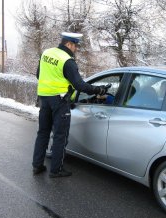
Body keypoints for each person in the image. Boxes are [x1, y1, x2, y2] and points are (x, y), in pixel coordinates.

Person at [32, 32, 109, 178]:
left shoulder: (46, 53)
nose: (76, 49)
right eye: (75, 46)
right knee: (60, 136)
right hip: (60, 102)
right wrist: (98, 90)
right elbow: (80, 85)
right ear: (69, 44)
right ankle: (56, 170)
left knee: (43, 133)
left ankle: (37, 166)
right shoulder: (67, 60)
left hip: (44, 99)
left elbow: (38, 75)